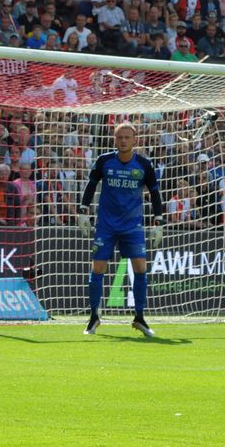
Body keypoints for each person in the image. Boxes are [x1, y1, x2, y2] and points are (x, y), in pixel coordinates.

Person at [77, 123, 164, 337]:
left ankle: (140, 317)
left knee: (141, 268)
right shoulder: (104, 161)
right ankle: (94, 317)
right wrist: (82, 211)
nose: (123, 140)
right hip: (106, 225)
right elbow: (91, 185)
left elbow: (154, 193)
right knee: (97, 269)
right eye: (119, 137)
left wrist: (159, 222)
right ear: (114, 140)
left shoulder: (144, 164)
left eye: (127, 137)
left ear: (135, 140)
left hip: (132, 226)